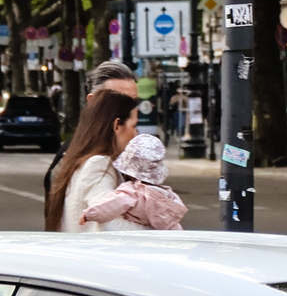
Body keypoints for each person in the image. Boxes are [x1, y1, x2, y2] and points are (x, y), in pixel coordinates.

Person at [46, 88, 143, 231]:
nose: (136, 134)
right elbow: (110, 224)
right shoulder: (98, 163)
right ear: (117, 125)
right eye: (134, 126)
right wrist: (158, 232)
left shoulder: (78, 159)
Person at [77, 133, 187, 231]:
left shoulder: (132, 192)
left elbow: (110, 205)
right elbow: (175, 228)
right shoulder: (169, 196)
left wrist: (89, 214)